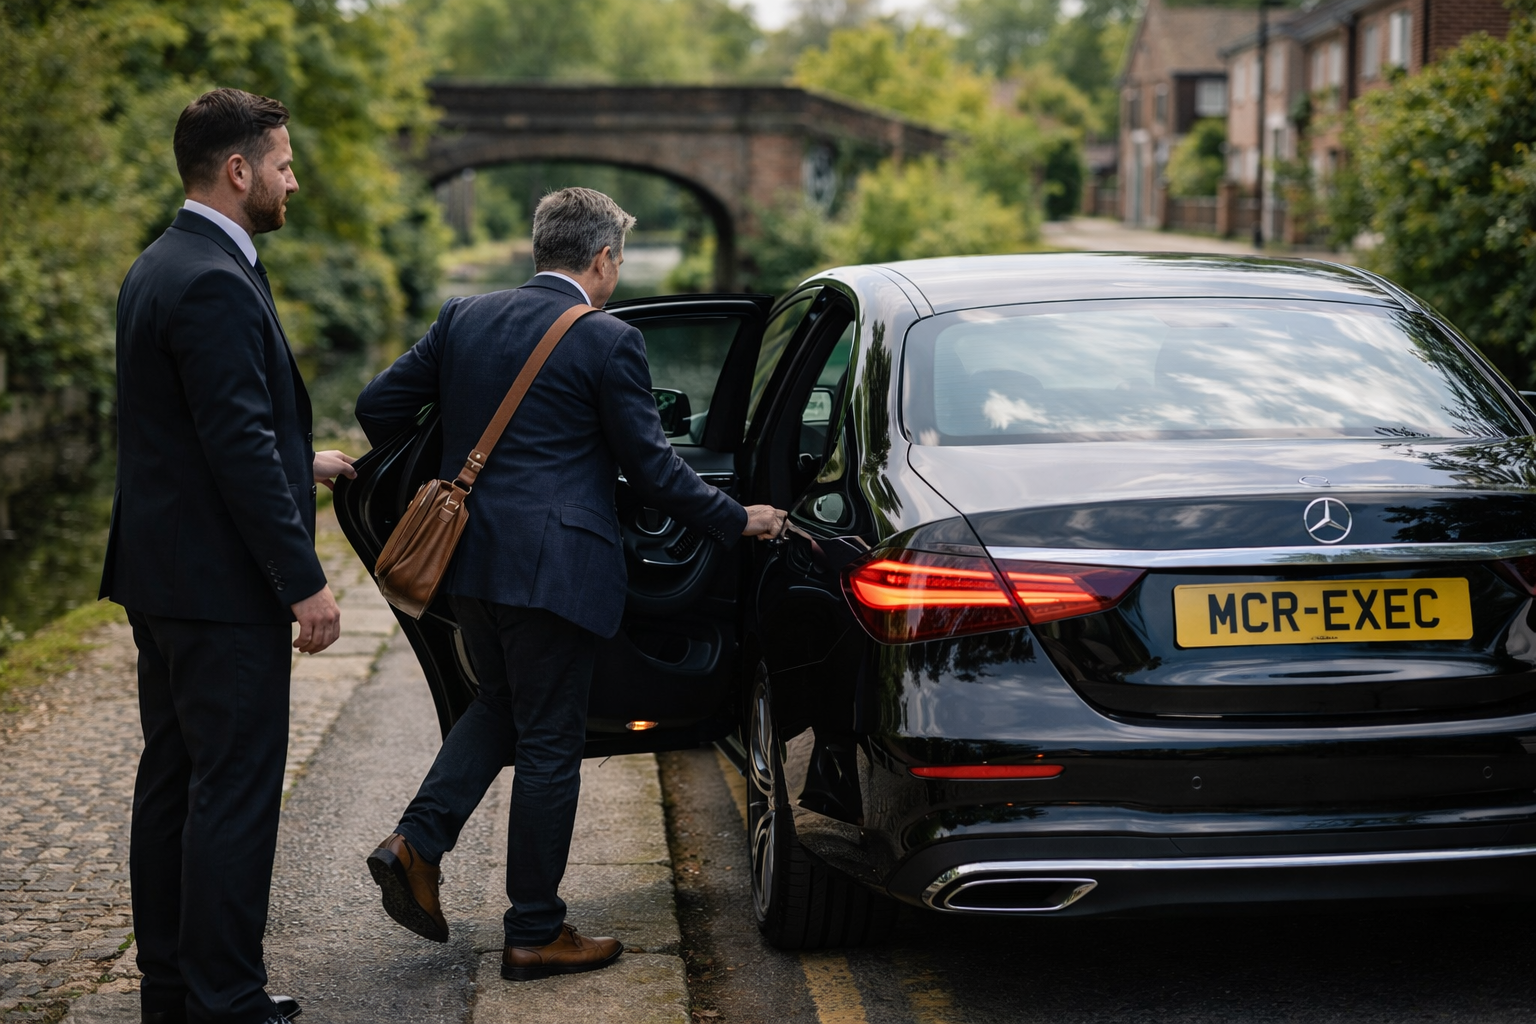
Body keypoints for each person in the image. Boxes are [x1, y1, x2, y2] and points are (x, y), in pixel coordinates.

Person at [355, 187, 786, 981]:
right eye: (617, 260)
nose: (616, 273)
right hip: (556, 569)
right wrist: (739, 519)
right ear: (601, 259)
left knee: (500, 705)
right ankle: (535, 931)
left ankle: (415, 842)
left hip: (468, 564)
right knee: (551, 740)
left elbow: (379, 406)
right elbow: (655, 470)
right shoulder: (608, 340)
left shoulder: (463, 319)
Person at [101, 88, 357, 1024]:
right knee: (234, 792)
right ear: (239, 170)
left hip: (165, 583)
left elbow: (197, 431)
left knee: (173, 784)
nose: (296, 181)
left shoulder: (160, 264)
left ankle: (172, 988)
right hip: (220, 591)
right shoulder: (213, 277)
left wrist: (310, 458)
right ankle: (227, 998)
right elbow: (236, 446)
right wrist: (305, 584)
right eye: (285, 164)